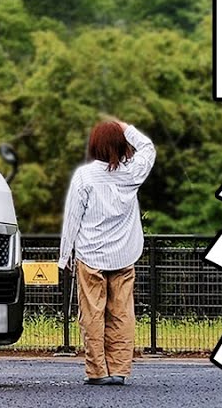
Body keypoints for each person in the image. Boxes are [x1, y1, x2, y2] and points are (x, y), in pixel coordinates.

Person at [57, 118, 156, 386]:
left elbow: (72, 219)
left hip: (90, 256)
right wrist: (126, 128)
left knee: (92, 314)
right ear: (122, 145)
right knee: (122, 313)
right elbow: (148, 148)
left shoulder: (85, 176)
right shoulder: (132, 174)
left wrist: (64, 256)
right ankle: (120, 370)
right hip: (124, 254)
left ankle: (97, 371)